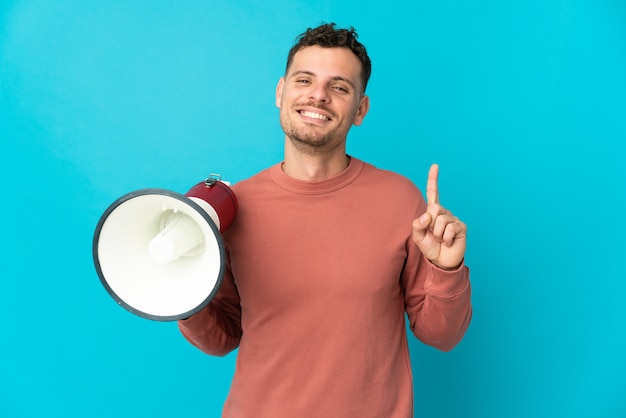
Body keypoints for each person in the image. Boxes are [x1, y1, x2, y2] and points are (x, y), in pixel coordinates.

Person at [179, 23, 472, 418]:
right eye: (305, 80)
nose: (318, 95)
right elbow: (223, 336)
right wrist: (178, 290)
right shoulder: (233, 207)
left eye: (339, 87)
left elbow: (442, 335)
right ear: (281, 92)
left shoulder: (401, 200)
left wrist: (446, 268)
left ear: (360, 110)